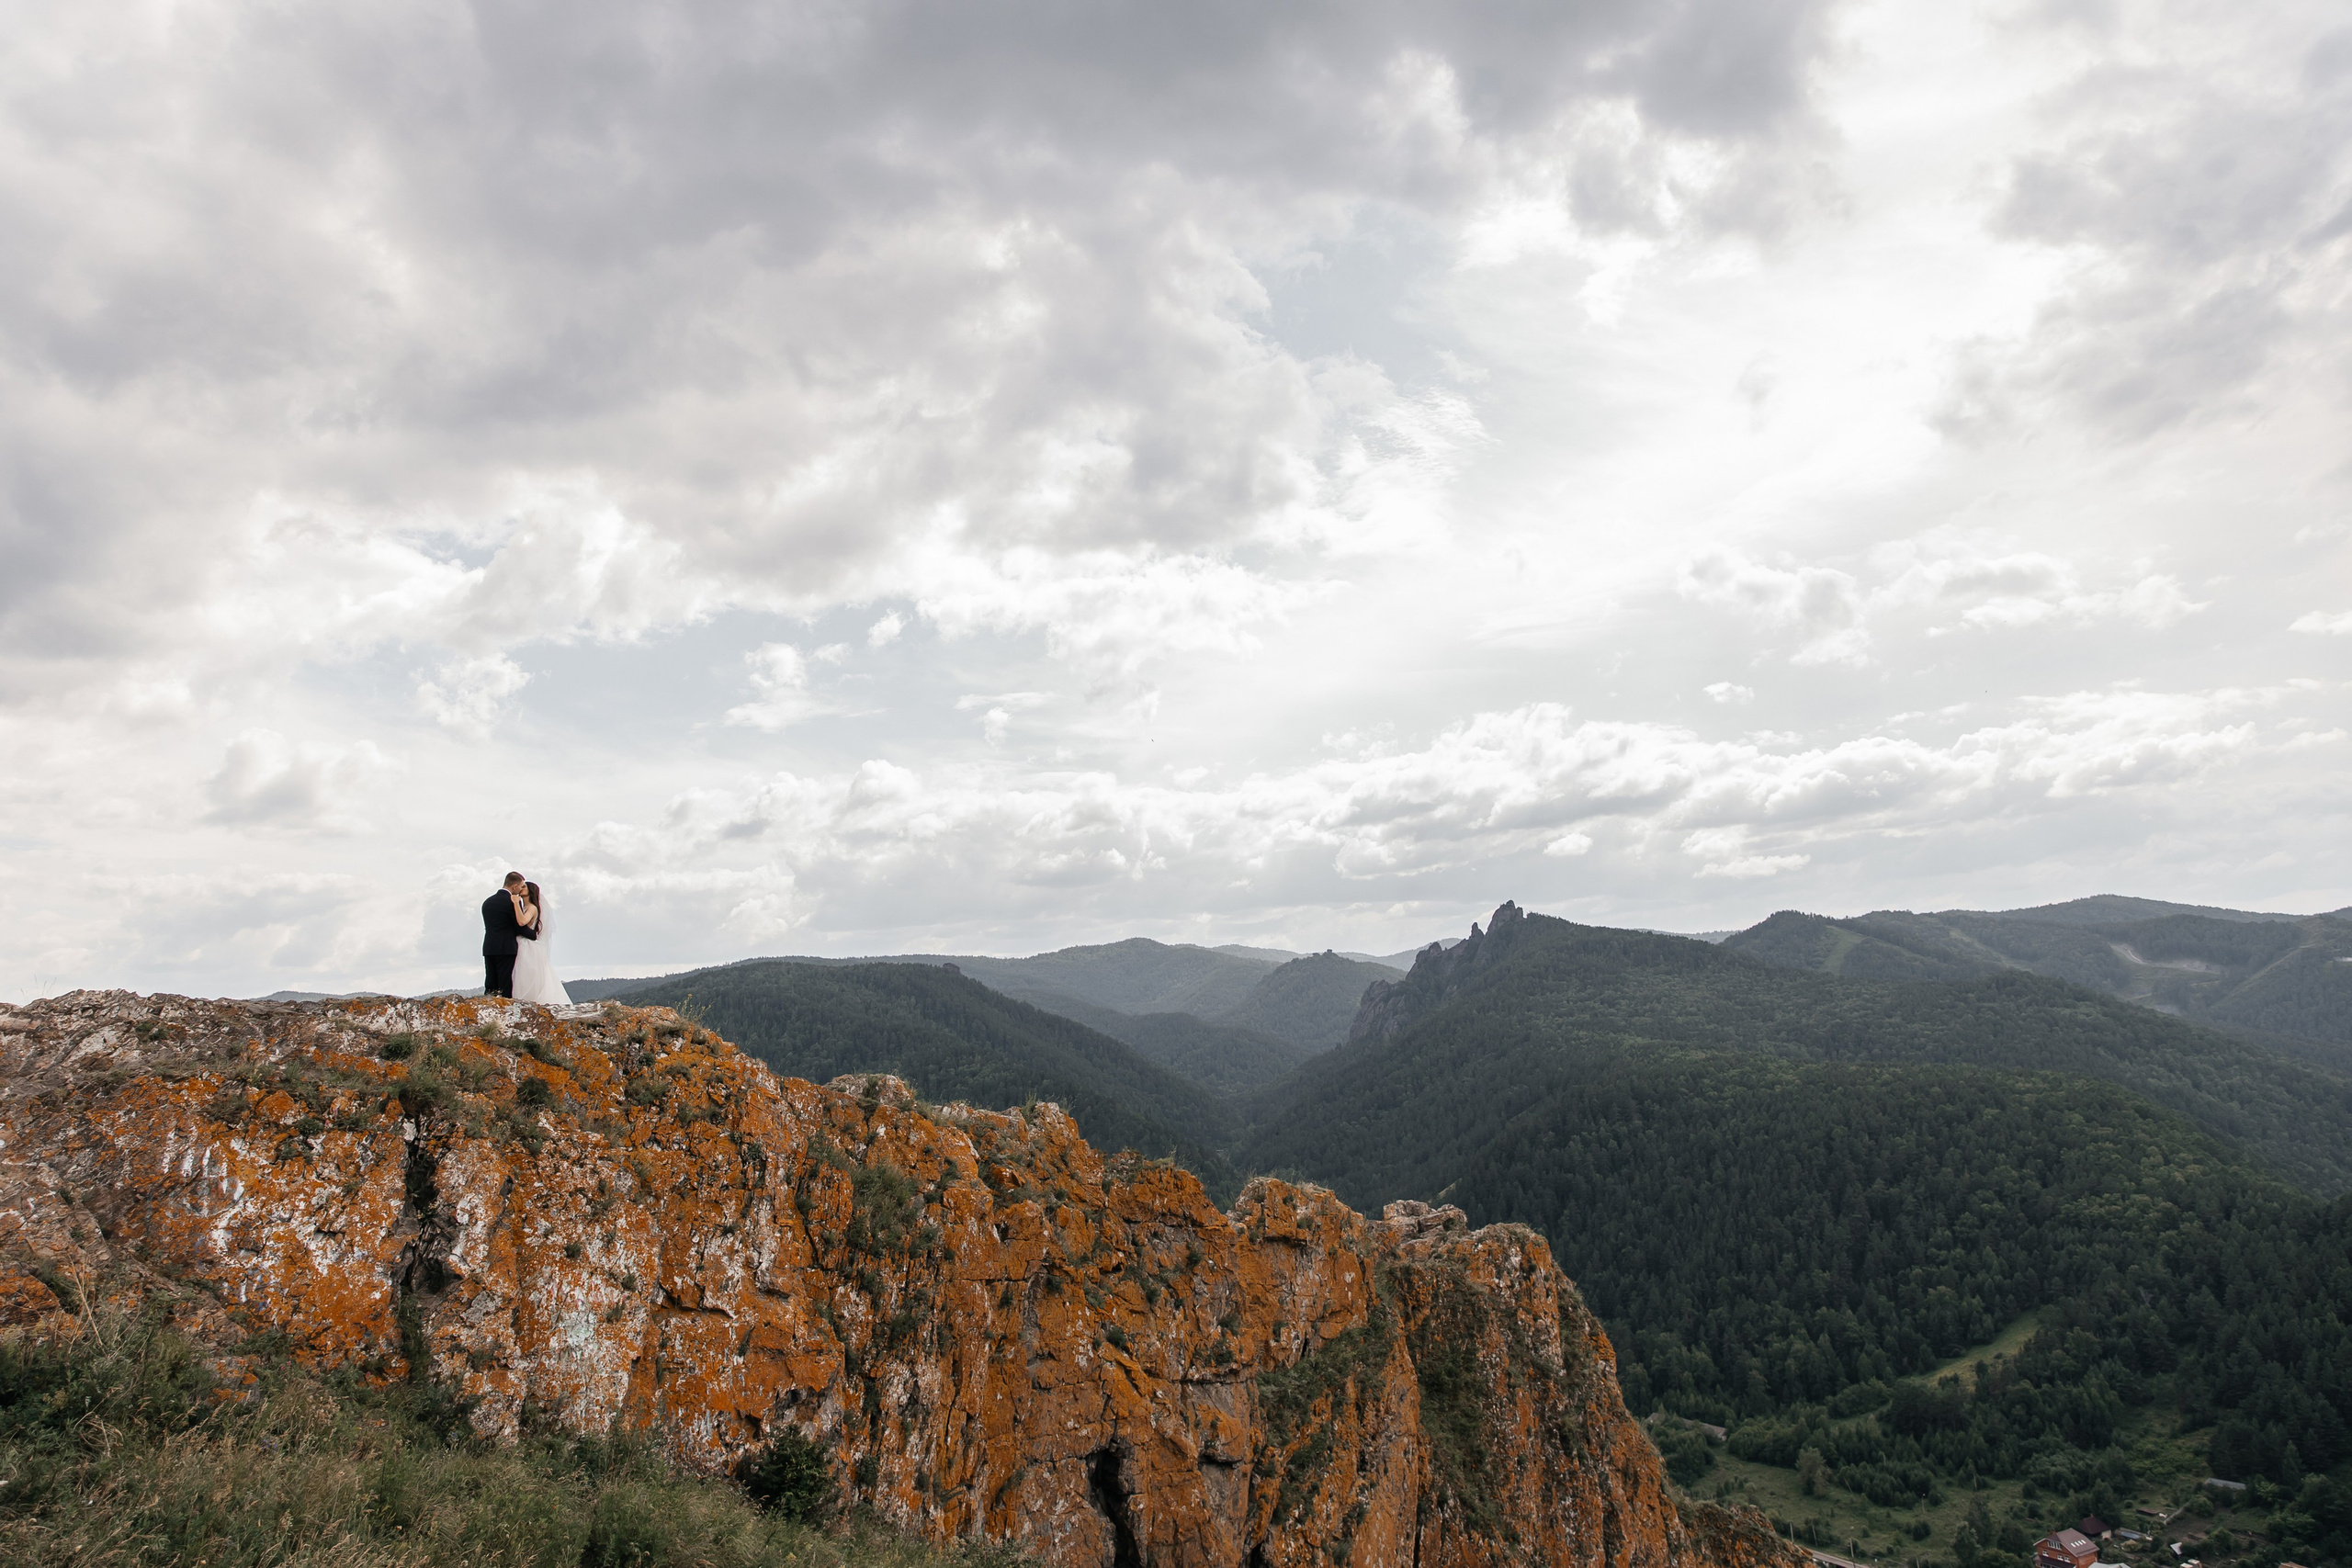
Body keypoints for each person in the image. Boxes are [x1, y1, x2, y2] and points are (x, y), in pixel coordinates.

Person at [509, 879, 572, 1006]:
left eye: (524, 886)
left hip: (527, 946)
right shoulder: (525, 907)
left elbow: (522, 921)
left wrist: (515, 903)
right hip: (521, 943)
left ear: (530, 891)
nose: (521, 888)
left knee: (525, 975)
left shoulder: (532, 908)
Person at [480, 872, 538, 998]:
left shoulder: (487, 902)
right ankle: (504, 1008)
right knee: (504, 984)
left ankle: (487, 1006)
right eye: (521, 886)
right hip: (506, 948)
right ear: (514, 886)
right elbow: (519, 927)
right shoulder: (511, 902)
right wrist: (534, 935)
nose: (521, 889)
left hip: (489, 947)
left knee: (490, 982)